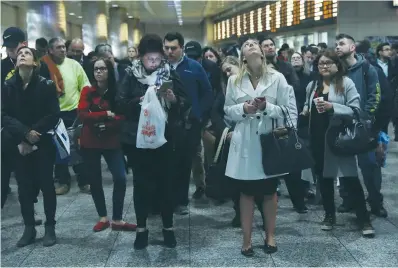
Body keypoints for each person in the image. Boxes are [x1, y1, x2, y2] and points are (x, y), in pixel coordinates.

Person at [116, 34, 190, 249]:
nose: (153, 64)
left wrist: (173, 99)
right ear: (141, 57)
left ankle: (168, 228)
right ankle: (142, 229)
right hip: (137, 139)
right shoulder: (131, 74)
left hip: (165, 138)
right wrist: (139, 102)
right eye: (149, 60)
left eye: (157, 59)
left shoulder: (170, 73)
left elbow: (185, 101)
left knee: (166, 183)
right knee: (141, 185)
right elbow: (119, 102)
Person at [224, 38, 297, 256]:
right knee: (246, 193)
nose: (251, 45)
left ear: (262, 53)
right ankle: (246, 239)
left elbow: (288, 110)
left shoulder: (277, 78)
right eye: (246, 45)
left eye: (254, 43)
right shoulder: (234, 80)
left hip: (268, 139)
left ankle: (270, 235)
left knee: (269, 191)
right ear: (243, 56)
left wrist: (267, 107)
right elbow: (228, 110)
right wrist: (244, 108)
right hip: (245, 139)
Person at [302, 49, 375, 237]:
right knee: (324, 180)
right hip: (318, 140)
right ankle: (329, 215)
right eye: (321, 64)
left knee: (350, 178)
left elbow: (355, 110)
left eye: (328, 63)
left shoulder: (346, 83)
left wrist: (332, 107)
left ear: (337, 65)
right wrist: (305, 111)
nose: (324, 66)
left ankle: (363, 218)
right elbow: (307, 105)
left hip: (339, 139)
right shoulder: (313, 85)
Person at [2, 46, 60, 247]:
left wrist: (34, 133)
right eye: (19, 54)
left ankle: (50, 227)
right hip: (18, 144)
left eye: (26, 53)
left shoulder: (46, 85)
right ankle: (29, 228)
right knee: (24, 188)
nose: (22, 55)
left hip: (42, 142)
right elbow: (4, 115)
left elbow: (53, 114)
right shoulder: (8, 86)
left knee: (46, 185)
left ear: (35, 62)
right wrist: (24, 135)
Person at [78, 57, 137, 232]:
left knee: (120, 177)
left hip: (112, 140)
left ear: (109, 71)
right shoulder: (87, 91)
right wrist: (106, 114)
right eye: (96, 69)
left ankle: (117, 219)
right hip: (90, 142)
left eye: (103, 69)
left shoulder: (117, 91)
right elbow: (82, 115)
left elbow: (123, 116)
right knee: (95, 180)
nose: (99, 72)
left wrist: (105, 120)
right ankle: (103, 217)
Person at [334, 34, 386, 217]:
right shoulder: (336, 71)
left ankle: (375, 200)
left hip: (364, 125)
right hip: (342, 124)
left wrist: (366, 118)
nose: (338, 47)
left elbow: (375, 95)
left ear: (353, 47)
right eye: (336, 44)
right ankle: (348, 199)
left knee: (369, 166)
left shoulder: (366, 68)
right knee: (345, 167)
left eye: (341, 44)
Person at [163, 32, 213, 214]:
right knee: (167, 163)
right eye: (166, 48)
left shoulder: (193, 67)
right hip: (165, 122)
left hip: (189, 123)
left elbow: (207, 93)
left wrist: (198, 115)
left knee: (184, 163)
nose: (169, 51)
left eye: (173, 48)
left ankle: (181, 201)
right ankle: (165, 199)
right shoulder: (160, 68)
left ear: (181, 48)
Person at [42, 37, 91, 195]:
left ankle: (84, 180)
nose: (63, 50)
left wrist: (84, 106)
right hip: (54, 114)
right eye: (58, 47)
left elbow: (85, 85)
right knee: (59, 149)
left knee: (78, 148)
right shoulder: (44, 66)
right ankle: (63, 181)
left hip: (73, 112)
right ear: (50, 50)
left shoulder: (74, 65)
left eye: (64, 47)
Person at [184, 41, 222, 199]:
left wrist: (211, 115)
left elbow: (215, 91)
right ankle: (200, 185)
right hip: (190, 114)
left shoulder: (211, 68)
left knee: (211, 152)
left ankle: (215, 184)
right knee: (195, 153)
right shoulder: (184, 66)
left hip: (209, 115)